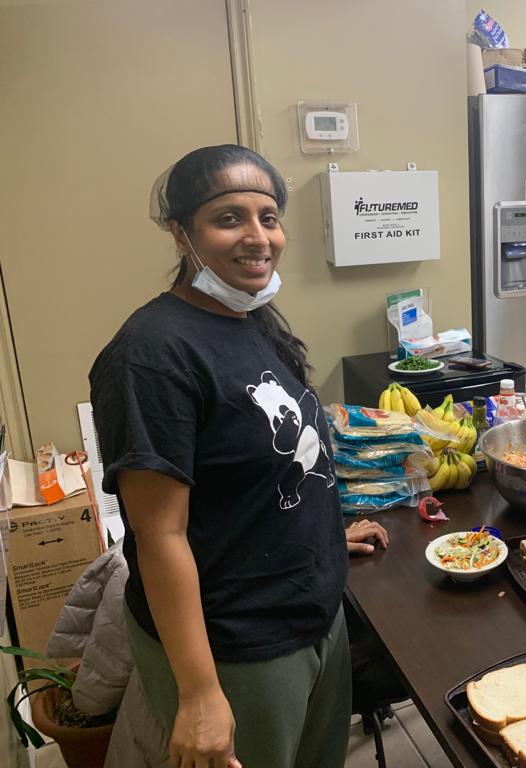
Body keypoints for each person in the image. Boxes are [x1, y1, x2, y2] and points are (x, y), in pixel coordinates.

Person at [90, 144, 386, 768]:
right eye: (230, 218)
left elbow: (268, 462)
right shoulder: (151, 355)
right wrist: (200, 694)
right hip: (238, 645)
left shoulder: (248, 317)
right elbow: (160, 534)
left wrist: (323, 531)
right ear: (182, 232)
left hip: (310, 609)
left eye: (269, 217)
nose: (259, 237)